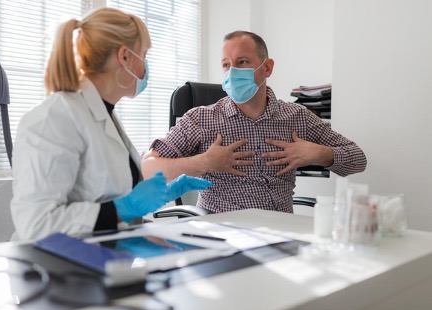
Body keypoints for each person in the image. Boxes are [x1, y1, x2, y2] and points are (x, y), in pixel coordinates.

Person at [10, 7, 212, 241]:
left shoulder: (105, 114)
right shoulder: (53, 118)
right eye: (143, 56)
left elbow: (107, 194)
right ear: (125, 57)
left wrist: (162, 194)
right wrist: (125, 207)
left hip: (107, 254)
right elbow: (36, 223)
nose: (146, 67)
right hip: (57, 266)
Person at [141, 30, 367, 214]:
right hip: (220, 234)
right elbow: (148, 168)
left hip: (280, 233)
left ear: (267, 68)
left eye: (242, 62)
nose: (232, 72)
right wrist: (204, 162)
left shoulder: (297, 117)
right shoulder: (201, 119)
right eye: (226, 65)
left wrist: (318, 154)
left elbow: (358, 159)